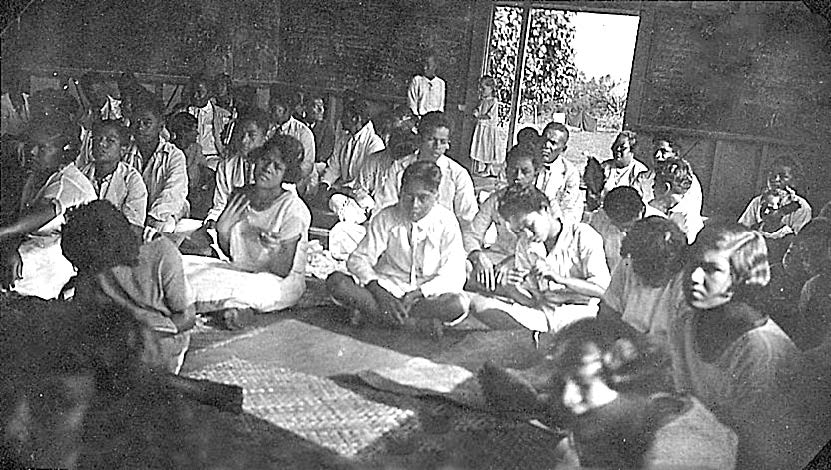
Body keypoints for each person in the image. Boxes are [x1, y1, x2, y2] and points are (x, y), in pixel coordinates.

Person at [479, 318, 738, 469]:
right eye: (559, 384)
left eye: (583, 385)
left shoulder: (681, 452)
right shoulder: (627, 415)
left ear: (630, 385)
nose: (568, 398)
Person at [669, 222, 826, 469]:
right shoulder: (687, 319)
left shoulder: (761, 350)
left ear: (742, 278)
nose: (694, 277)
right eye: (692, 264)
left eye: (711, 269)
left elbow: (760, 451)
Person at [182, 135, 311, 326]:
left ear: (286, 175)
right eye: (265, 160)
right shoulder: (241, 195)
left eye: (277, 167)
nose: (268, 168)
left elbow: (283, 270)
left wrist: (275, 251)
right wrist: (223, 232)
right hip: (242, 270)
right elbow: (233, 254)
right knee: (183, 266)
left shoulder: (293, 209)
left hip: (278, 280)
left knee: (248, 287)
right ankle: (235, 307)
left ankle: (232, 307)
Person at [326, 160, 469, 329]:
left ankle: (380, 316)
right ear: (400, 193)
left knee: (457, 304)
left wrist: (420, 292)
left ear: (436, 196)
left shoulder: (446, 222)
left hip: (425, 296)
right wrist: (379, 292)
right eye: (409, 196)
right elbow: (358, 259)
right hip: (387, 287)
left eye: (423, 198)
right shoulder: (386, 217)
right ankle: (414, 324)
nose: (415, 205)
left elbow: (454, 274)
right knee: (337, 283)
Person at [61, 200, 195, 374]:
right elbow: (83, 303)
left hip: (155, 337)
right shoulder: (94, 245)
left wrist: (143, 338)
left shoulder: (163, 254)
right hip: (114, 329)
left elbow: (187, 318)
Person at [467, 185, 610, 334]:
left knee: (561, 322)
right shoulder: (525, 244)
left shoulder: (583, 235)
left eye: (529, 226)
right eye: (519, 231)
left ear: (544, 209)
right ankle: (539, 333)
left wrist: (561, 280)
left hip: (581, 313)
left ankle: (540, 334)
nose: (527, 235)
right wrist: (512, 288)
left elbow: (602, 291)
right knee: (477, 303)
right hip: (545, 312)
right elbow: (534, 302)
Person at [0, 117, 96, 299]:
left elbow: (24, 223)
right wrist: (8, 247)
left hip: (55, 270)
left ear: (64, 151)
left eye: (43, 148)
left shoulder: (67, 183)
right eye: (32, 145)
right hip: (35, 257)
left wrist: (6, 243)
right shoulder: (39, 175)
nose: (33, 152)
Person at [464, 144, 546, 291]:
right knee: (464, 269)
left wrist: (510, 263)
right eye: (513, 170)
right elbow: (472, 233)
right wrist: (478, 257)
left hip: (526, 263)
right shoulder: (497, 199)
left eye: (525, 172)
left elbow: (539, 249)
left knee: (524, 282)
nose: (517, 177)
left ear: (536, 173)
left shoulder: (542, 204)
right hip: (496, 257)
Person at [375, 111, 477, 228]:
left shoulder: (458, 174)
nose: (437, 146)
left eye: (442, 142)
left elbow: (468, 217)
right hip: (402, 233)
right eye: (431, 139)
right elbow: (385, 205)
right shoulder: (399, 167)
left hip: (443, 237)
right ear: (420, 139)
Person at [598, 216, 688, 344]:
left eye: (651, 269)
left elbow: (684, 345)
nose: (641, 276)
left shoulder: (687, 281)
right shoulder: (629, 263)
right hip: (627, 342)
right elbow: (607, 310)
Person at [124, 95, 189, 234]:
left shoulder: (174, 155)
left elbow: (173, 193)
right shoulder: (125, 152)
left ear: (160, 126)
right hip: (134, 211)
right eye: (136, 122)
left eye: (147, 123)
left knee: (164, 226)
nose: (140, 128)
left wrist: (152, 217)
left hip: (165, 209)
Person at [204, 109, 271, 225]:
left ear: (265, 138)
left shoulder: (274, 168)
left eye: (251, 135)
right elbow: (220, 204)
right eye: (241, 134)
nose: (244, 140)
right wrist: (212, 220)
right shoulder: (226, 166)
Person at [319, 96, 385, 207]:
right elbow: (334, 167)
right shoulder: (344, 139)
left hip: (361, 195)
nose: (341, 119)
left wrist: (339, 190)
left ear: (356, 119)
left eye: (345, 116)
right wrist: (325, 184)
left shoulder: (374, 144)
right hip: (341, 191)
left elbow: (365, 183)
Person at [80, 119, 148, 227]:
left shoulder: (131, 180)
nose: (101, 144)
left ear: (123, 149)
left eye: (110, 140)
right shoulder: (80, 175)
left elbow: (133, 224)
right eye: (97, 139)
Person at [738, 156, 812, 238]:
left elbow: (799, 241)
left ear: (793, 181)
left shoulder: (802, 207)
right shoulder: (757, 202)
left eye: (783, 176)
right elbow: (741, 231)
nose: (776, 179)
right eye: (772, 174)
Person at [268, 87, 317, 197]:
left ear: (287, 111)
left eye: (276, 110)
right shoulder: (269, 129)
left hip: (298, 180)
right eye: (271, 109)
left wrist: (287, 177)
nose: (271, 113)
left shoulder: (303, 132)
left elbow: (307, 165)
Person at [632, 137, 702, 214]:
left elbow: (689, 210)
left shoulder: (688, 180)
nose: (657, 155)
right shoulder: (643, 178)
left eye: (663, 151)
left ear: (675, 154)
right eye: (655, 151)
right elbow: (635, 205)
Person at [586, 186, 646, 273]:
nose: (622, 231)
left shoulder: (658, 228)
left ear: (641, 211)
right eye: (617, 225)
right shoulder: (599, 220)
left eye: (628, 227)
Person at [647, 157, 704, 243]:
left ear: (666, 188)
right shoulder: (654, 207)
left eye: (655, 183)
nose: (652, 187)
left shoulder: (688, 220)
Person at [535, 122, 582, 225]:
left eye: (553, 143)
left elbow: (568, 210)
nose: (546, 146)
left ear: (563, 149)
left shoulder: (569, 173)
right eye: (544, 140)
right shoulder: (527, 164)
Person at [168, 111, 212, 219]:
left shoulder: (196, 149)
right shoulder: (169, 151)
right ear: (183, 132)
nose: (197, 133)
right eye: (194, 129)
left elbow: (205, 170)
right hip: (175, 196)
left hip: (195, 195)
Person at [185, 74, 232, 167]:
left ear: (209, 93)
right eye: (193, 91)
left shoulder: (222, 115)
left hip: (213, 159)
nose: (195, 95)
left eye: (199, 92)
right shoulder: (185, 112)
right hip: (190, 158)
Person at [469, 76, 504, 177]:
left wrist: (479, 116)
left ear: (491, 88)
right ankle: (486, 168)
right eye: (480, 88)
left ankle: (488, 169)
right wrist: (476, 111)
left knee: (488, 148)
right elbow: (479, 109)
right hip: (481, 127)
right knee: (482, 147)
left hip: (488, 128)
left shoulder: (494, 101)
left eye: (483, 88)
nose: (481, 90)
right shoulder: (483, 100)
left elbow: (489, 116)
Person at [602, 131, 648, 198]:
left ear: (632, 151)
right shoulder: (605, 167)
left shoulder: (639, 171)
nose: (617, 149)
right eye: (616, 146)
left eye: (622, 148)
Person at [407, 53, 445, 118]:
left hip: (434, 120)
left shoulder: (440, 83)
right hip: (420, 118)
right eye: (424, 65)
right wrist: (417, 117)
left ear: (434, 66)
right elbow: (412, 103)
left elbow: (441, 106)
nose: (425, 68)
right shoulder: (417, 80)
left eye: (428, 65)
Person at [305, 93, 336, 164]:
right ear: (306, 107)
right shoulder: (298, 126)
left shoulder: (327, 128)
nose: (321, 110)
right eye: (315, 106)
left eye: (322, 106)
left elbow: (323, 154)